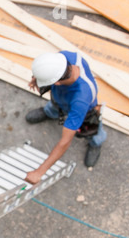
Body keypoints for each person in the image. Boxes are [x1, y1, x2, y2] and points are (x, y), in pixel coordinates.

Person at [25, 51, 107, 185]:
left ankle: (95, 143)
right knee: (53, 107)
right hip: (60, 100)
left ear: (56, 83)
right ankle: (49, 113)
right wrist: (37, 78)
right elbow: (48, 68)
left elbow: (65, 141)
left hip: (85, 111)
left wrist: (39, 172)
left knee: (93, 130)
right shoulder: (64, 59)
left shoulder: (81, 99)